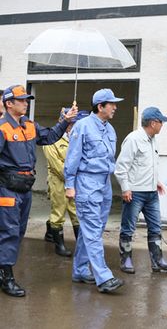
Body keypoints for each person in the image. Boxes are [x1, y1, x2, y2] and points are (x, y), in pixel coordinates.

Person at [0, 85, 77, 297]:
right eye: (22, 100)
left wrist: (66, 120)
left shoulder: (29, 125)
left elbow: (51, 136)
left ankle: (3, 268)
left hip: (25, 190)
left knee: (18, 232)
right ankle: (7, 278)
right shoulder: (2, 128)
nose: (26, 103)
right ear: (9, 104)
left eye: (27, 99)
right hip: (7, 190)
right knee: (9, 233)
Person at [64, 88, 125, 293]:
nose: (115, 107)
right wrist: (69, 185)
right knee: (92, 232)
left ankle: (80, 270)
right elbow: (72, 158)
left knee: (94, 230)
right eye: (112, 104)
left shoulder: (110, 129)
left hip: (104, 183)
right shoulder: (82, 126)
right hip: (87, 183)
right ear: (101, 106)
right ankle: (104, 277)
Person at [115, 107, 167, 274]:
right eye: (160, 122)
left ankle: (158, 261)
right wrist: (125, 188)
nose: (162, 125)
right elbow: (121, 167)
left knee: (156, 227)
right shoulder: (133, 139)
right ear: (152, 123)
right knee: (128, 227)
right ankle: (126, 259)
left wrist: (155, 182)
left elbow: (146, 165)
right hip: (135, 193)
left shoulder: (152, 140)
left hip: (151, 193)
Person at [43, 109, 89, 257]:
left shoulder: (75, 138)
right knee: (59, 212)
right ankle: (59, 245)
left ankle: (80, 244)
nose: (73, 126)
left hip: (74, 182)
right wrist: (72, 177)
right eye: (71, 123)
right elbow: (57, 165)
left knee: (76, 212)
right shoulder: (52, 139)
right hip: (58, 182)